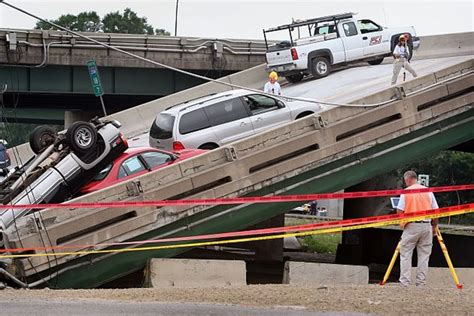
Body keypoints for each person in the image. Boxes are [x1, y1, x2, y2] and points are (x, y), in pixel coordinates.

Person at [396, 170, 439, 286]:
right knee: (424, 256)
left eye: (406, 181)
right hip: (426, 226)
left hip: (411, 226)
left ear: (408, 180)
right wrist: (434, 226)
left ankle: (405, 282)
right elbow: (436, 211)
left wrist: (401, 222)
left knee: (405, 254)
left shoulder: (406, 192)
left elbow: (400, 210)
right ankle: (421, 283)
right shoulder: (428, 191)